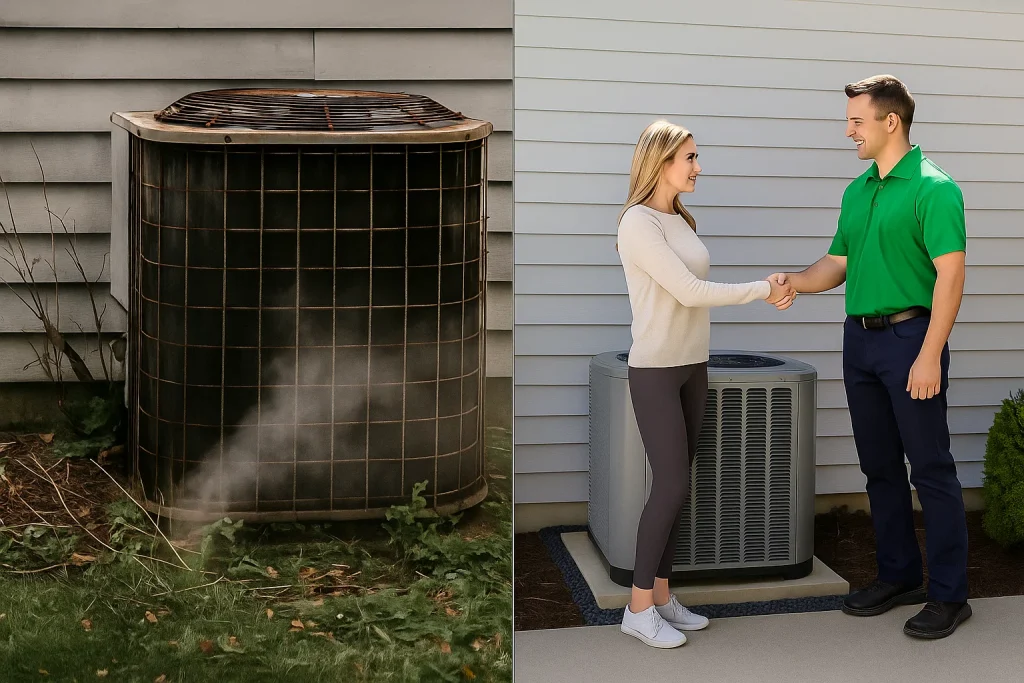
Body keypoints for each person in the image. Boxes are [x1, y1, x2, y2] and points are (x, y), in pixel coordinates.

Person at [771, 74, 970, 639]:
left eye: (857, 121)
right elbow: (838, 263)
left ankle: (950, 595)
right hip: (858, 342)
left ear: (892, 122)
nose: (848, 130)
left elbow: (950, 278)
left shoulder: (935, 188)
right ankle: (899, 574)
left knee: (931, 470)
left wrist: (930, 353)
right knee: (880, 467)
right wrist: (795, 282)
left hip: (912, 340)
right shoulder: (858, 190)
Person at [615, 120, 793, 648]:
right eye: (689, 157)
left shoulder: (679, 219)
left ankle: (662, 596)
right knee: (669, 484)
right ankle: (637, 605)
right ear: (660, 161)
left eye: (696, 157)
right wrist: (765, 288)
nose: (698, 167)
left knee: (680, 484)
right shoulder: (637, 223)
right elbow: (690, 292)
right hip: (655, 370)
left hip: (693, 365)